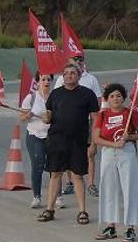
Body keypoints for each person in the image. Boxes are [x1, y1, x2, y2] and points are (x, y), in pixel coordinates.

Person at [38, 63, 99, 223]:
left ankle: (82, 211)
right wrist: (46, 118)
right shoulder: (55, 94)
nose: (69, 76)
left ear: (78, 76)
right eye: (65, 73)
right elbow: (49, 115)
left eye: (72, 73)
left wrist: (93, 142)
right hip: (57, 140)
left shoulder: (88, 94)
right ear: (62, 77)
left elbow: (95, 120)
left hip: (78, 142)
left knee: (78, 176)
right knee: (55, 174)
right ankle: (49, 209)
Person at [92, 83, 138, 242]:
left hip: (127, 152)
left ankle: (130, 227)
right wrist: (113, 145)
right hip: (109, 151)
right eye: (112, 96)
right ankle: (110, 226)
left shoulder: (130, 114)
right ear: (107, 99)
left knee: (129, 187)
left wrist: (129, 137)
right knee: (108, 188)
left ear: (123, 98)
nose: (115, 99)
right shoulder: (103, 115)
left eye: (118, 96)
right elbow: (96, 137)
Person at [53, 53, 102, 197]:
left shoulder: (91, 79)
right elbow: (55, 99)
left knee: (89, 154)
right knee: (67, 152)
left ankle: (91, 184)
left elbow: (98, 101)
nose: (78, 62)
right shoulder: (62, 78)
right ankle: (70, 182)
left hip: (85, 121)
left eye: (81, 59)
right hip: (67, 123)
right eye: (75, 59)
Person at [19, 71, 53, 208]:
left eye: (49, 79)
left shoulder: (55, 97)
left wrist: (49, 117)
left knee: (54, 167)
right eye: (43, 79)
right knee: (37, 165)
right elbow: (22, 118)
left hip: (51, 136)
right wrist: (31, 113)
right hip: (34, 135)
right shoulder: (31, 98)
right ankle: (37, 196)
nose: (46, 82)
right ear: (38, 81)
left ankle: (57, 196)